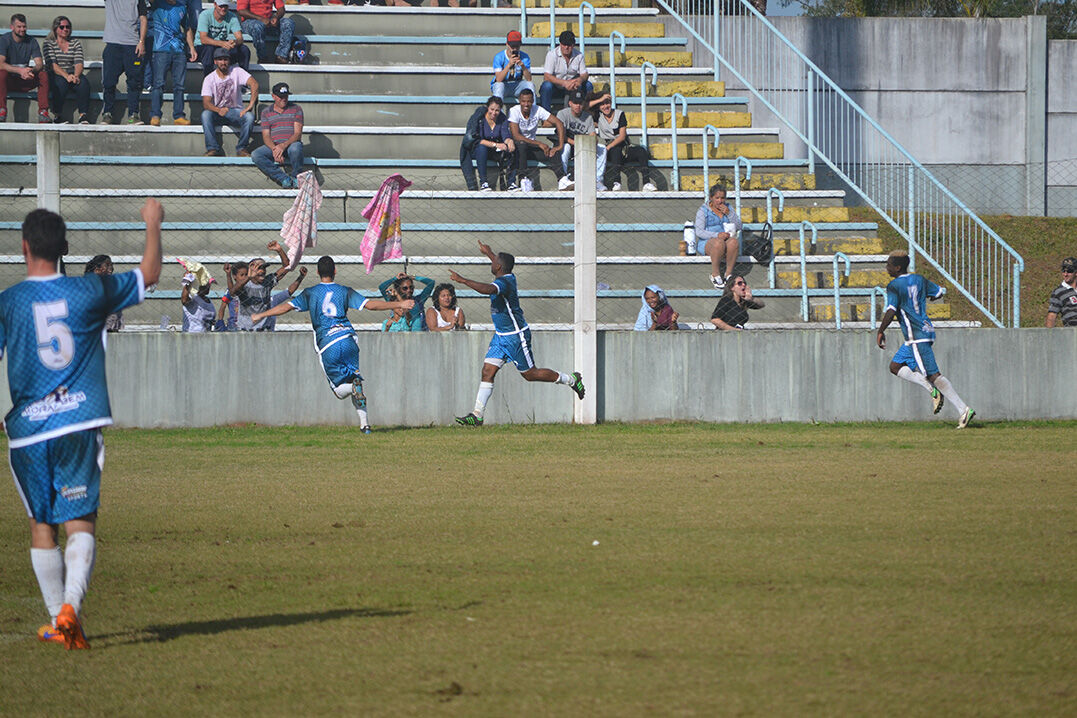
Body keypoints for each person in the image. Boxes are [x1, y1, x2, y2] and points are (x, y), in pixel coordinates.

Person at [0, 198, 163, 649]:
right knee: (80, 521)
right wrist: (152, 222)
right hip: (79, 420)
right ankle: (70, 608)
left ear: (25, 246)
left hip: (29, 430)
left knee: (41, 524)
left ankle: (59, 620)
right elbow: (148, 275)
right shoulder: (89, 291)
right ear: (65, 248)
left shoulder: (8, 302)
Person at [251, 255, 415, 433]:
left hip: (328, 343)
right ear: (335, 271)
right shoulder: (344, 291)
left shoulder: (310, 292)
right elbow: (370, 305)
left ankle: (354, 390)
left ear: (317, 272)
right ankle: (365, 425)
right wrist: (400, 303)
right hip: (349, 339)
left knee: (339, 390)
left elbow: (286, 307)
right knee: (355, 380)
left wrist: (261, 315)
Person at [450, 240, 585, 426]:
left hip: (515, 336)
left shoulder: (504, 282)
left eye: (493, 261)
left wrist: (463, 280)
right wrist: (488, 252)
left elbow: (488, 289)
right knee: (487, 371)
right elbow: (499, 265)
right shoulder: (504, 273)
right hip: (500, 336)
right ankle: (477, 414)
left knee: (530, 374)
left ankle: (571, 379)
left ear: (497, 266)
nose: (492, 263)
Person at [876, 250, 975, 429]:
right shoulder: (920, 279)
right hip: (924, 331)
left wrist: (881, 330)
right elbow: (938, 293)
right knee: (895, 366)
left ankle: (963, 409)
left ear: (897, 267)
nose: (887, 267)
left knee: (932, 374)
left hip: (916, 336)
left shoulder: (894, 286)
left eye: (889, 265)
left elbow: (891, 310)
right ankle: (932, 390)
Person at [200, 47, 257, 157]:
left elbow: (254, 84)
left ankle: (242, 148)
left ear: (229, 60)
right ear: (215, 61)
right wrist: (218, 110)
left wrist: (250, 105)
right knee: (205, 114)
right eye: (220, 59)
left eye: (225, 59)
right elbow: (206, 103)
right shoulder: (209, 78)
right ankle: (212, 148)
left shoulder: (237, 71)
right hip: (217, 112)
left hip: (235, 111)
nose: (223, 62)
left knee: (249, 117)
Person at [149, 0, 197, 127]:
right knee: (158, 84)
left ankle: (179, 116)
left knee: (180, 86)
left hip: (179, 50)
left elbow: (187, 29)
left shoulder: (182, 7)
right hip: (161, 50)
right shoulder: (157, 3)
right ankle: (155, 115)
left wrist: (191, 47)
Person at [595, 93, 656, 192]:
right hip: (611, 150)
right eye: (602, 104)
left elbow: (622, 136)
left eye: (607, 103)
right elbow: (585, 106)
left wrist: (609, 147)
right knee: (616, 151)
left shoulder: (619, 114)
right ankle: (617, 182)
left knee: (641, 151)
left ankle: (646, 182)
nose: (605, 106)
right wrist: (600, 99)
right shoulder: (598, 116)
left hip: (623, 147)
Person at [100, 0, 148, 125]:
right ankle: (107, 113)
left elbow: (143, 19)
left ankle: (133, 114)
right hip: (113, 44)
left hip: (132, 44)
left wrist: (141, 42)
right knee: (109, 81)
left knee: (134, 82)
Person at [508, 87, 565, 192]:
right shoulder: (514, 111)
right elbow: (516, 135)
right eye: (524, 101)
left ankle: (562, 179)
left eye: (529, 101)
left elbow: (559, 123)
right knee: (521, 144)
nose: (526, 104)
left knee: (552, 152)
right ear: (519, 101)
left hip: (531, 147)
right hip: (517, 149)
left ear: (533, 101)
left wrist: (560, 146)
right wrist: (539, 143)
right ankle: (523, 179)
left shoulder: (537, 109)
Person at [0, 14, 50, 123]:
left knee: (43, 75)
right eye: (19, 27)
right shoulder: (4, 40)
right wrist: (20, 70)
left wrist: (31, 71)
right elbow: (1, 64)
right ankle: (2, 110)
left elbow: (39, 64)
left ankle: (43, 112)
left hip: (25, 79)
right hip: (9, 80)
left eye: (24, 26)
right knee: (1, 73)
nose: (22, 29)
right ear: (12, 27)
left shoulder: (31, 41)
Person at [230, 241, 292, 330]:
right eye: (259, 268)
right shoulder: (245, 284)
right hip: (245, 330)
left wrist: (280, 250)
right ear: (250, 270)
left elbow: (286, 267)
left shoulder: (267, 282)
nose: (262, 271)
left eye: (264, 268)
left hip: (263, 330)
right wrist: (248, 277)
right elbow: (233, 291)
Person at [253, 82, 304, 188]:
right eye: (280, 97)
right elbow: (266, 136)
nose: (284, 99)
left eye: (286, 96)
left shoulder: (296, 109)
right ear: (273, 96)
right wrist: (275, 149)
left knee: (296, 148)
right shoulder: (266, 112)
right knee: (256, 154)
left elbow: (297, 133)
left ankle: (296, 177)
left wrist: (283, 145)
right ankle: (283, 178)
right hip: (275, 145)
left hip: (291, 144)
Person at [555, 88, 606, 191]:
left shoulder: (588, 117)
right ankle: (563, 180)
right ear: (570, 103)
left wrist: (593, 141)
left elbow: (592, 135)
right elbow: (561, 135)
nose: (578, 105)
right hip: (570, 143)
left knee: (602, 148)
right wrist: (576, 143)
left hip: (583, 146)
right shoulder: (562, 114)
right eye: (575, 103)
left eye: (580, 103)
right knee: (566, 147)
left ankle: (597, 180)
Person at [460, 96, 515, 192]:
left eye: (497, 110)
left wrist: (509, 141)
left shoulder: (502, 119)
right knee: (482, 147)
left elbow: (505, 135)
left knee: (513, 148)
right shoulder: (480, 118)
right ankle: (484, 182)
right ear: (487, 108)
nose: (494, 113)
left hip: (494, 151)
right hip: (479, 149)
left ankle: (511, 182)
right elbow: (478, 140)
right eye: (492, 109)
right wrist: (496, 145)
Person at [694, 183, 743, 291]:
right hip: (708, 242)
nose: (720, 201)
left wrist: (729, 214)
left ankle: (728, 275)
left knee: (734, 242)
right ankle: (715, 274)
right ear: (711, 198)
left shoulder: (729, 208)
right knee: (718, 243)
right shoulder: (703, 210)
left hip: (726, 240)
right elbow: (699, 231)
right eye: (717, 198)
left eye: (722, 198)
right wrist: (717, 235)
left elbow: (739, 226)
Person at [43, 16, 89, 124]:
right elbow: (52, 65)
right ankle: (57, 115)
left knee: (83, 83)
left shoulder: (75, 43)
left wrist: (76, 75)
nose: (65, 29)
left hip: (72, 72)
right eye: (62, 27)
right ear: (56, 28)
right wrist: (66, 76)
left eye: (67, 27)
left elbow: (79, 62)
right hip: (55, 73)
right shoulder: (48, 43)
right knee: (61, 83)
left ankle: (83, 115)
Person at [539, 30, 591, 111]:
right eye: (564, 44)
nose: (566, 47)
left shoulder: (579, 55)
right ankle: (546, 117)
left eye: (569, 45)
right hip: (556, 87)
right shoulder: (552, 55)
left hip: (573, 86)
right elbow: (547, 76)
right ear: (560, 44)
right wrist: (564, 83)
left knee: (588, 85)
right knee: (546, 86)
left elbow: (584, 74)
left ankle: (587, 113)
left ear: (573, 45)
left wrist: (579, 80)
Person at [196, 0, 249, 76]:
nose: (223, 9)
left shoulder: (232, 17)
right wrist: (222, 43)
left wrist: (234, 42)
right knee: (209, 49)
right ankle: (208, 81)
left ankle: (244, 81)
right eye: (221, 6)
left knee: (244, 49)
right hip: (202, 47)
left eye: (225, 6)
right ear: (215, 4)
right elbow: (203, 39)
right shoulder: (205, 15)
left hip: (220, 47)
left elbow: (240, 38)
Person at [236, 0, 295, 65]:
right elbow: (241, 11)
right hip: (250, 21)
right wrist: (260, 19)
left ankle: (281, 56)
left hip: (268, 21)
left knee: (288, 23)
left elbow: (281, 9)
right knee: (257, 26)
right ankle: (263, 58)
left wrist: (276, 17)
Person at [83, 255, 125, 332]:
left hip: (111, 327)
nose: (111, 268)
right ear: (97, 270)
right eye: (107, 265)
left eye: (111, 265)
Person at [491, 30, 533, 100]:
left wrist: (523, 66)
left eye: (517, 46)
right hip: (503, 85)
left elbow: (529, 79)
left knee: (530, 85)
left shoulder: (525, 57)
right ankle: (498, 110)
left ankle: (532, 110)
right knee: (499, 85)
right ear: (507, 44)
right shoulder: (499, 57)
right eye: (512, 46)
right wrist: (509, 65)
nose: (515, 48)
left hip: (517, 85)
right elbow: (498, 79)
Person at [1046, 256, 1077, 327]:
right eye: (1063, 270)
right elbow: (1051, 316)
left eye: (1069, 271)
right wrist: (1049, 336)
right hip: (1072, 334)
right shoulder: (1058, 292)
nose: (1065, 274)